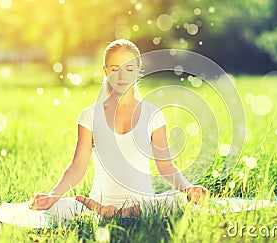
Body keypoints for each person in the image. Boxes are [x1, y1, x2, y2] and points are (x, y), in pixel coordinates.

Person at [30, 39, 208, 218]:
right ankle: (108, 212)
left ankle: (124, 213)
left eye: (129, 69)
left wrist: (187, 188)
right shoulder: (90, 115)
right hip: (99, 203)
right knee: (54, 208)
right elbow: (77, 167)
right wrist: (52, 196)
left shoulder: (152, 114)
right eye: (115, 69)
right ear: (105, 71)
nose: (122, 76)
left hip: (144, 204)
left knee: (178, 201)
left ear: (138, 71)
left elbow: (166, 166)